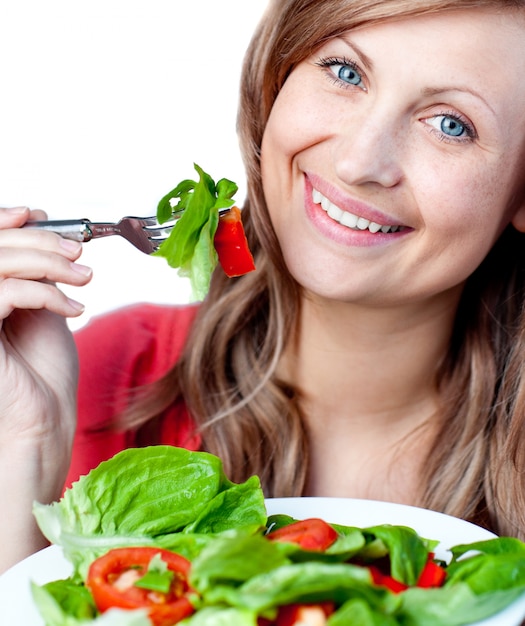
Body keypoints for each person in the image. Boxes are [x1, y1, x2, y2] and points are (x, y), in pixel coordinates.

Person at [2, 0, 525, 574]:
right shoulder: (112, 376)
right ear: (277, 80)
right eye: (345, 72)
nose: (358, 162)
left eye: (452, 124)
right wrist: (28, 448)